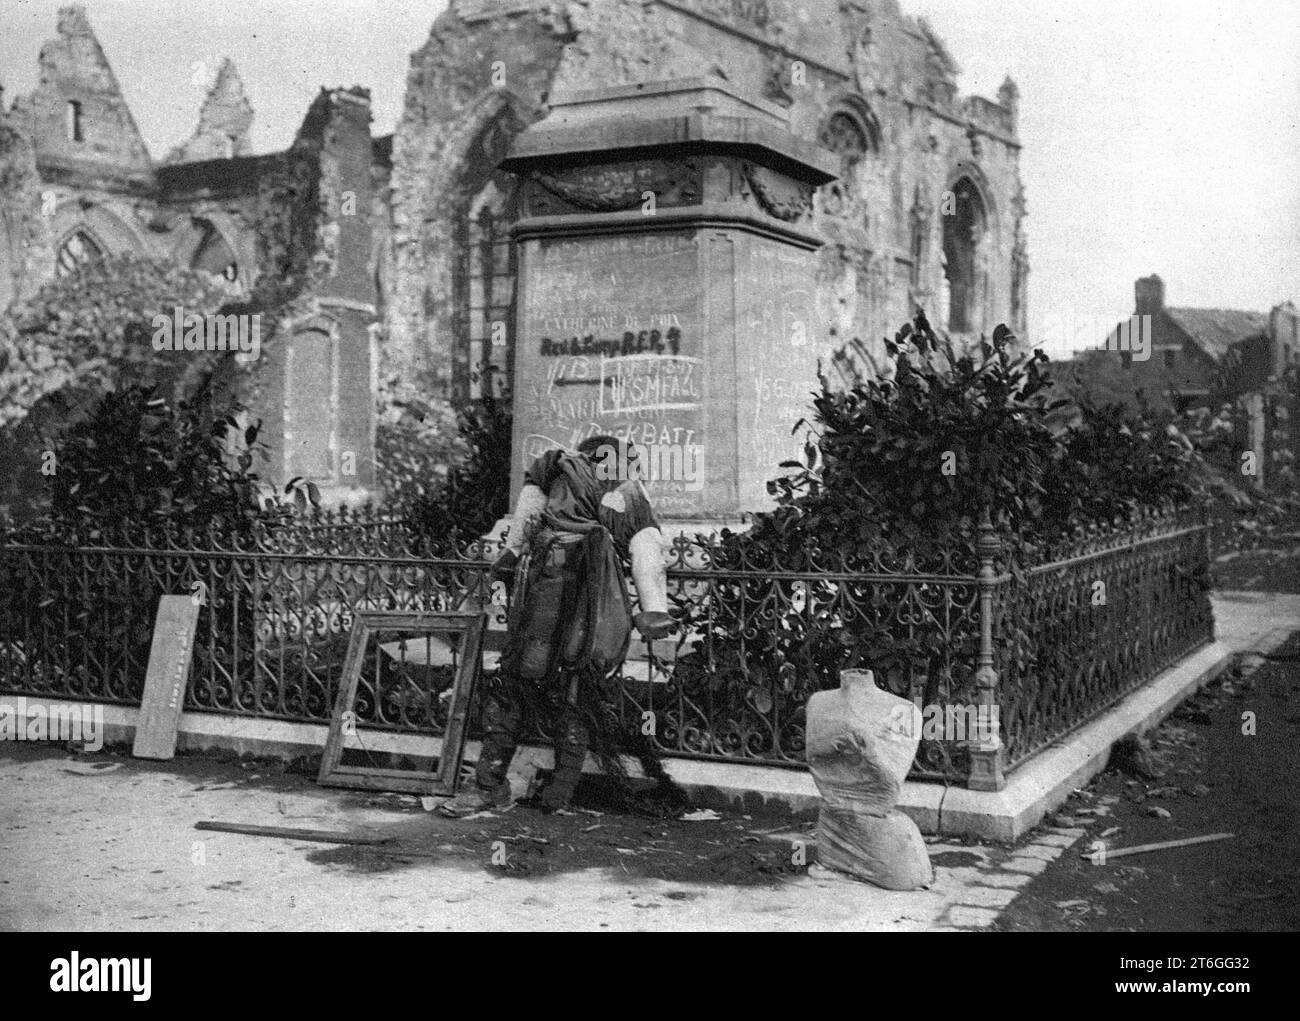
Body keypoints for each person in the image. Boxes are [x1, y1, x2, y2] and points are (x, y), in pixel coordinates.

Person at [438, 435, 678, 817]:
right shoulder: (626, 489)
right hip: (585, 604)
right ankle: (556, 794)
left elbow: (523, 527)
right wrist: (653, 612)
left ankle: (490, 786)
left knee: (520, 684)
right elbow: (647, 552)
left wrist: (509, 558)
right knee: (574, 690)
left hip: (547, 595)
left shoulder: (553, 468)